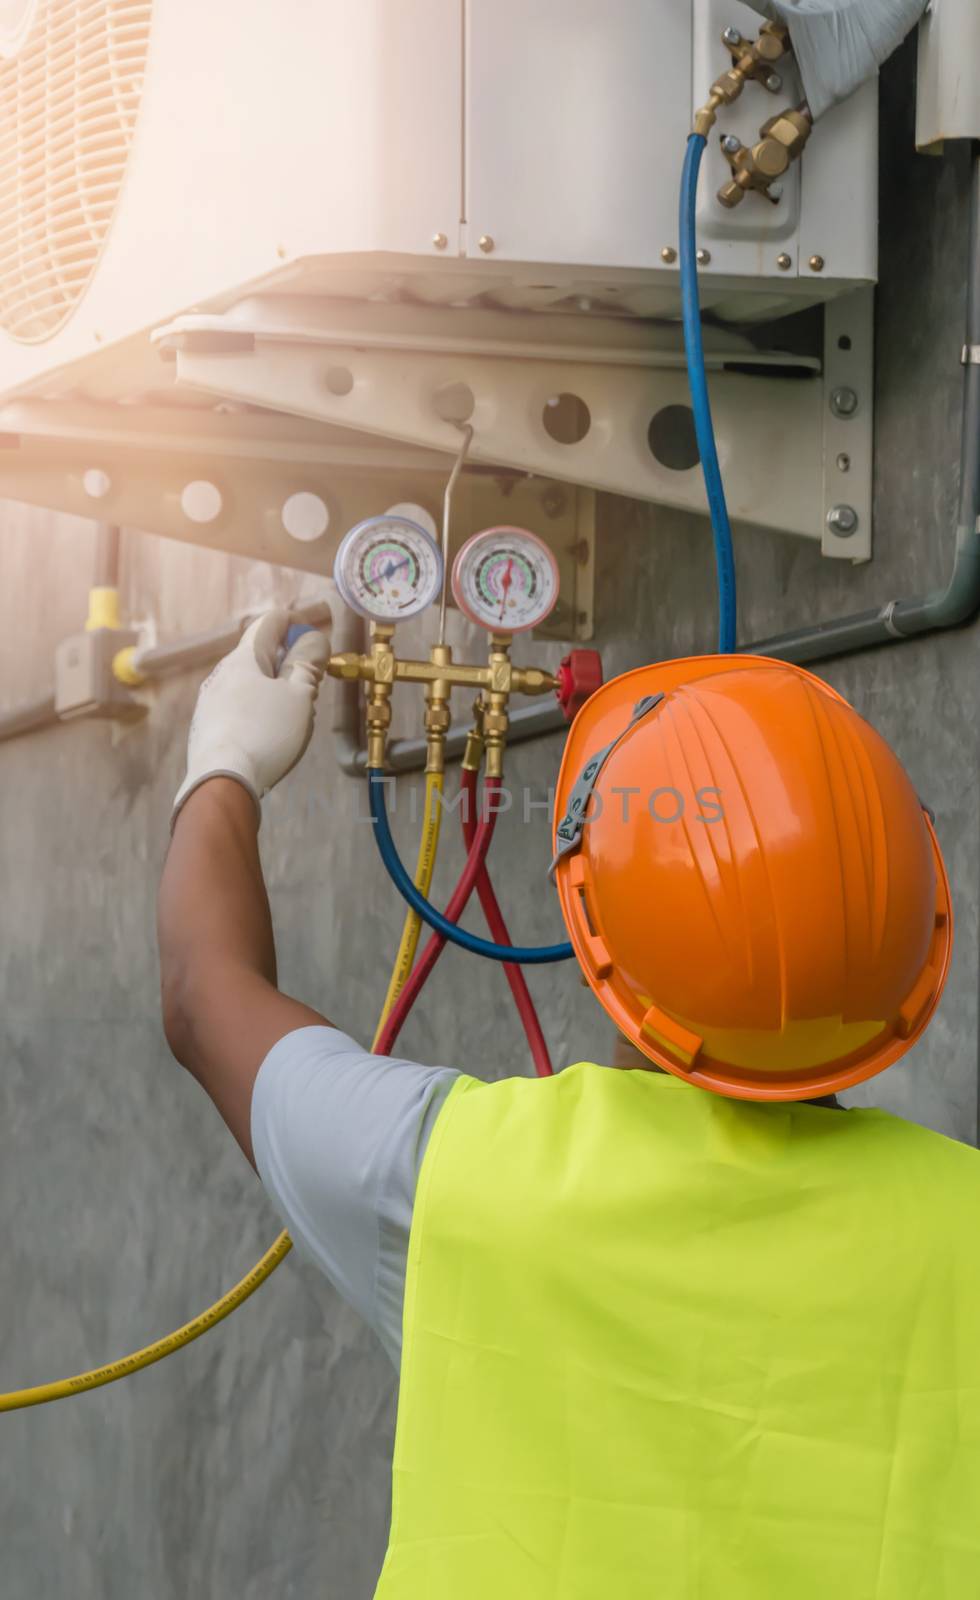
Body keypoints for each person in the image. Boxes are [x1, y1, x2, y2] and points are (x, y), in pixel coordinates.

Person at [158, 609, 980, 1599]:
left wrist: (222, 766)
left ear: (592, 926)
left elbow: (205, 995)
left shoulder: (448, 1181)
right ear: (916, 931)